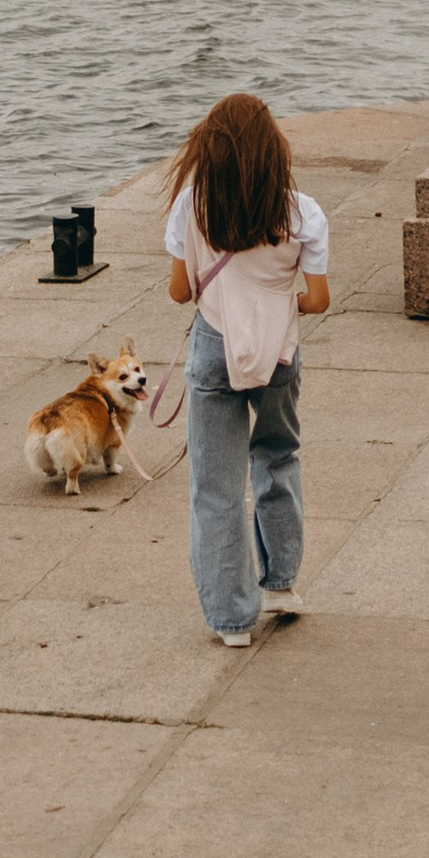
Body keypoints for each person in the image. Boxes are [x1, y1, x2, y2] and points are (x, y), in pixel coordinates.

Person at [165, 91, 330, 646]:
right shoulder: (301, 212)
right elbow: (319, 299)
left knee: (215, 486)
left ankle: (232, 621)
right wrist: (276, 301)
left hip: (214, 349)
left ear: (207, 150)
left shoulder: (192, 205)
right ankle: (279, 584)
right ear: (273, 152)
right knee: (279, 457)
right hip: (280, 352)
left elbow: (179, 291)